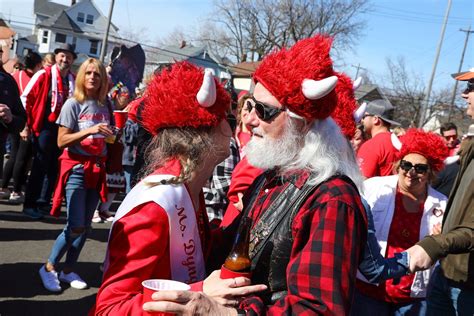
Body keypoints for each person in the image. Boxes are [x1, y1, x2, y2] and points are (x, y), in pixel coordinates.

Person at [143, 35, 368, 315]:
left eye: (264, 110)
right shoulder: (270, 177)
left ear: (303, 121)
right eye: (250, 105)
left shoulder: (331, 200)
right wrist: (175, 218)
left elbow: (319, 310)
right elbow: (230, 249)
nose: (249, 119)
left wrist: (228, 312)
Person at [93, 62, 266, 315]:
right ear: (204, 130)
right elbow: (109, 309)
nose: (239, 126)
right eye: (228, 118)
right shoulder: (156, 205)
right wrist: (199, 293)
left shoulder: (188, 186)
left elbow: (198, 250)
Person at [353, 128, 449, 315]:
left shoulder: (443, 204)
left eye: (420, 168)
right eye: (406, 165)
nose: (411, 172)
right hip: (368, 290)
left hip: (413, 298)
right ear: (398, 165)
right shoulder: (374, 188)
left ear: (430, 173)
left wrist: (441, 241)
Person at [38, 58, 112, 292]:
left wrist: (112, 135)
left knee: (86, 227)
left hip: (97, 169)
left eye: (97, 74)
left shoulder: (106, 104)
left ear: (103, 79)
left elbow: (107, 138)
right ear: (81, 76)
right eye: (88, 73)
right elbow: (61, 141)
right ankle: (49, 267)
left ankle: (68, 270)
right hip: (77, 169)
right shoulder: (72, 104)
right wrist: (90, 130)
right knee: (76, 225)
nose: (92, 77)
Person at [407, 69, 474, 315]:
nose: (465, 94)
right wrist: (447, 230)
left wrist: (437, 244)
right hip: (447, 275)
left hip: (467, 289)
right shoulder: (470, 148)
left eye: (471, 87)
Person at [21, 43, 77, 219]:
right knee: (39, 165)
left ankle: (43, 203)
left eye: (68, 57)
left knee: (55, 166)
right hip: (44, 125)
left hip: (63, 127)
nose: (64, 59)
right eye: (62, 55)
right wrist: (25, 125)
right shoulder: (44, 74)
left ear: (73, 60)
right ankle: (30, 204)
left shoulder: (74, 80)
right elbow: (25, 98)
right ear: (56, 57)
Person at [0, 52, 43, 202]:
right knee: (19, 157)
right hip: (19, 126)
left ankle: (7, 188)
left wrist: (12, 118)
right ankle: (14, 190)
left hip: (7, 129)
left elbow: (20, 113)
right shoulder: (25, 78)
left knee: (16, 156)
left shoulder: (11, 78)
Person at [357, 99, 401, 178]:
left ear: (375, 119)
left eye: (364, 116)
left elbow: (361, 181)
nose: (362, 121)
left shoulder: (371, 145)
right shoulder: (398, 142)